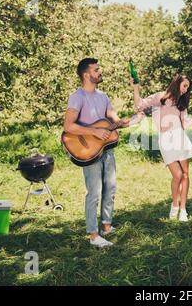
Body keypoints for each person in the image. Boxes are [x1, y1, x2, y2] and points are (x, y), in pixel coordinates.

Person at [64, 58, 137, 248]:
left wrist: (130, 121)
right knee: (94, 192)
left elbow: (114, 119)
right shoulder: (77, 97)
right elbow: (68, 126)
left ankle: (106, 225)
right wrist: (94, 131)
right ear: (87, 74)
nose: (100, 72)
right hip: (87, 150)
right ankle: (94, 235)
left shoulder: (103, 96)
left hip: (106, 149)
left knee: (110, 188)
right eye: (96, 70)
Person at [132, 74, 192, 221]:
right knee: (177, 175)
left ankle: (183, 210)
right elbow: (139, 105)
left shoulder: (181, 103)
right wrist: (135, 87)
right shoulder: (160, 97)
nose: (186, 90)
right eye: (184, 86)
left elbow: (184, 125)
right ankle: (175, 205)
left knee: (185, 174)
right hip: (165, 140)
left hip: (180, 138)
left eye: (188, 88)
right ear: (177, 83)